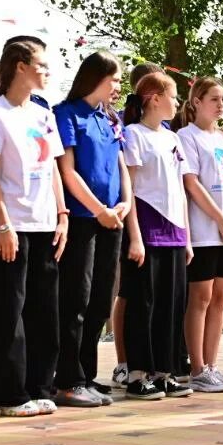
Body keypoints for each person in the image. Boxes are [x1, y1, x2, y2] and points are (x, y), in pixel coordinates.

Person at [0, 40, 67, 417]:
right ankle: (11, 393)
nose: (47, 71)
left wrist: (62, 215)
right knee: (9, 308)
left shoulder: (43, 114)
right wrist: (3, 223)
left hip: (46, 224)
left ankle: (39, 385)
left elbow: (54, 169)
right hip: (12, 225)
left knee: (44, 310)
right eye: (41, 65)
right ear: (19, 67)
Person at [53, 51, 132, 407]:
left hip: (111, 219)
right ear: (95, 77)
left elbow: (121, 165)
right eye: (114, 79)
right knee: (76, 299)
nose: (118, 86)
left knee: (101, 299)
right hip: (85, 221)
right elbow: (68, 171)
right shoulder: (67, 114)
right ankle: (68, 377)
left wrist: (125, 204)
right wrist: (97, 209)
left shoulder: (111, 119)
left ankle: (87, 373)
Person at [119, 73, 193, 399]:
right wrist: (134, 236)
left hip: (175, 231)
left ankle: (165, 370)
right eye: (173, 96)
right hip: (147, 229)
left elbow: (180, 188)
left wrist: (187, 237)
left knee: (172, 304)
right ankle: (138, 373)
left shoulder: (172, 138)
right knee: (143, 304)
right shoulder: (133, 135)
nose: (178, 103)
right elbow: (130, 189)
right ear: (153, 98)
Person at [177, 77, 223, 394]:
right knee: (201, 298)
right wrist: (220, 219)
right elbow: (192, 184)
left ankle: (212, 366)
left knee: (221, 298)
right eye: (213, 99)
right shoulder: (186, 137)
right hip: (206, 231)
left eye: (222, 99)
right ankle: (197, 368)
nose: (220, 104)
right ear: (196, 102)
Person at [111, 61, 164, 390]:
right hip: (131, 216)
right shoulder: (126, 125)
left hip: (161, 223)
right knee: (128, 294)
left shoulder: (163, 127)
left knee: (148, 296)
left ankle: (153, 360)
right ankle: (123, 362)